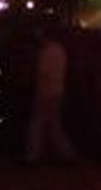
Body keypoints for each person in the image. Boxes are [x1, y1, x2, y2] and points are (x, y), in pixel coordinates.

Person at [25, 27, 75, 164]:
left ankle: (33, 155)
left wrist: (38, 92)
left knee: (36, 124)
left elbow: (42, 74)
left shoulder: (46, 52)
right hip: (57, 91)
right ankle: (66, 154)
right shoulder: (60, 49)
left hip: (46, 92)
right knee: (54, 125)